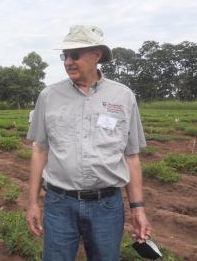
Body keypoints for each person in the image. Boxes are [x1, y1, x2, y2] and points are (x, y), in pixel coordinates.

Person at [26, 25, 152, 261]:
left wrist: (138, 208)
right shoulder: (48, 96)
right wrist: (32, 203)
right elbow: (40, 150)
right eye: (65, 55)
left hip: (106, 205)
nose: (68, 62)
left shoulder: (123, 96)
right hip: (59, 203)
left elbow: (131, 156)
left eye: (76, 55)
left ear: (97, 55)